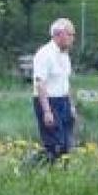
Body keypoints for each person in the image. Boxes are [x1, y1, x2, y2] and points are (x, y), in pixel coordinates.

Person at [31, 18, 77, 162]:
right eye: (70, 34)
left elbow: (65, 82)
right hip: (49, 101)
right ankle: (27, 168)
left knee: (66, 146)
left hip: (63, 101)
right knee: (54, 145)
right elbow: (40, 83)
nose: (72, 38)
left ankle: (61, 177)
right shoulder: (45, 54)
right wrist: (47, 111)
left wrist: (71, 106)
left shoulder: (65, 55)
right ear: (58, 34)